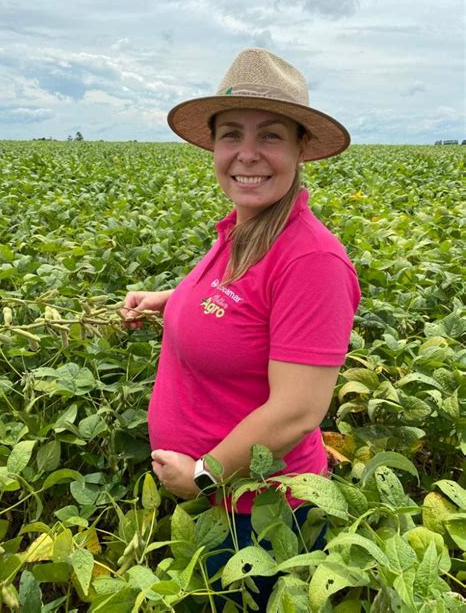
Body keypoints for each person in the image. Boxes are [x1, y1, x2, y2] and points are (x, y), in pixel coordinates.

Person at [122, 48, 361, 609]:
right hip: (218, 505)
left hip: (262, 514)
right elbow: (228, 305)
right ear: (214, 146)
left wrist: (205, 476)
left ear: (302, 147)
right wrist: (165, 301)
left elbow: (299, 410)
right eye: (232, 134)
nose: (246, 155)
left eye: (271, 136)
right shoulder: (244, 229)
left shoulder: (311, 262)